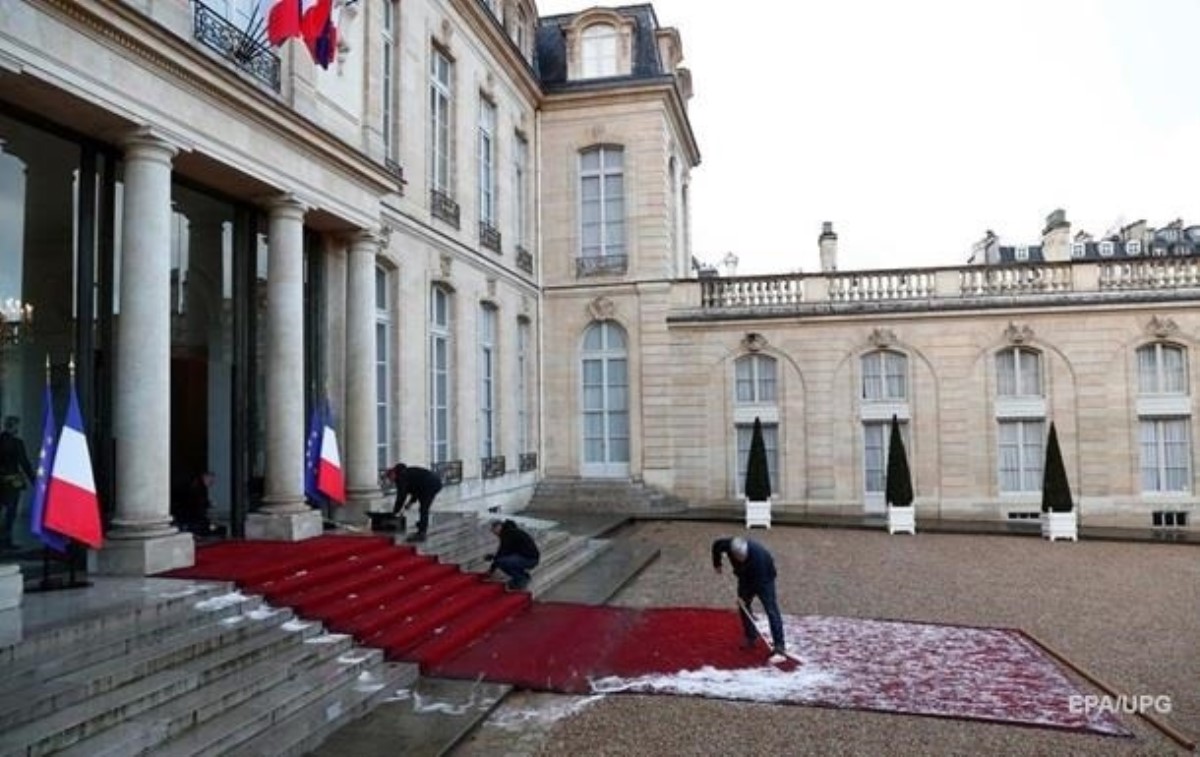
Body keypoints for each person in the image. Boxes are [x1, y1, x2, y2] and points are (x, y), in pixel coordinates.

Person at [712, 535, 786, 657]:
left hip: (765, 579)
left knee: (771, 609)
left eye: (742, 558)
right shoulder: (728, 544)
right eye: (737, 557)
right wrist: (717, 563)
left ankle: (779, 645)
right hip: (744, 576)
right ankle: (751, 636)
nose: (739, 559)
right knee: (743, 607)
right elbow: (716, 545)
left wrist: (745, 596)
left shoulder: (758, 559)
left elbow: (756, 582)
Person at [0, 415, 35, 551]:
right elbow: (24, 463)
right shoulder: (17, 443)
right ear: (13, 426)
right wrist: (34, 481)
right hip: (12, 482)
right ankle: (5, 541)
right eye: (16, 426)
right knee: (10, 513)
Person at [386, 462, 443, 542]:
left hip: (430, 484)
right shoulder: (406, 473)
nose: (390, 480)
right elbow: (416, 489)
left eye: (390, 478)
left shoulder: (401, 477)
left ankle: (422, 533)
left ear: (393, 474)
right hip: (430, 484)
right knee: (423, 507)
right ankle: (422, 525)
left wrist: (395, 512)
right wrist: (410, 503)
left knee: (423, 508)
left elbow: (401, 496)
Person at [485, 518, 540, 591]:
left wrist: (491, 569)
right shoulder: (509, 531)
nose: (495, 534)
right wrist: (493, 561)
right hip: (528, 556)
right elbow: (503, 551)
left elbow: (502, 553)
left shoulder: (508, 534)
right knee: (504, 560)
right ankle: (523, 577)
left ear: (498, 527)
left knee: (502, 562)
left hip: (529, 559)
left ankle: (521, 579)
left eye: (494, 531)